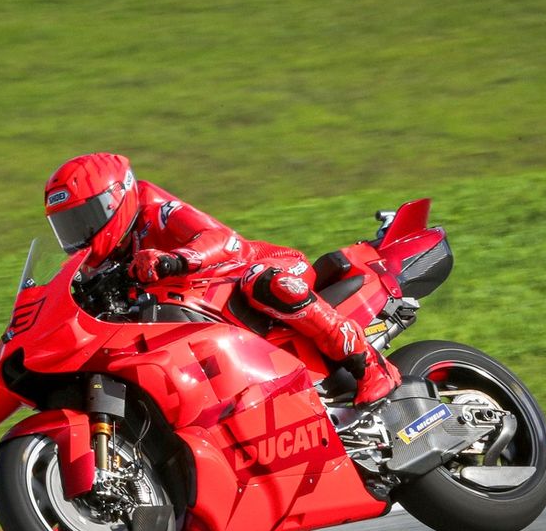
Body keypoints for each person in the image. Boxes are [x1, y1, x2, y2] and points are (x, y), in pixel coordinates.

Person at [44, 152, 401, 406]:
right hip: (202, 310)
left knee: (264, 282)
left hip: (258, 267)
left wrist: (175, 260)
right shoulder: (99, 265)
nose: (80, 235)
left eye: (85, 219)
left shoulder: (157, 211)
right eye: (68, 226)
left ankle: (369, 365)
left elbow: (225, 241)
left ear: (114, 200)